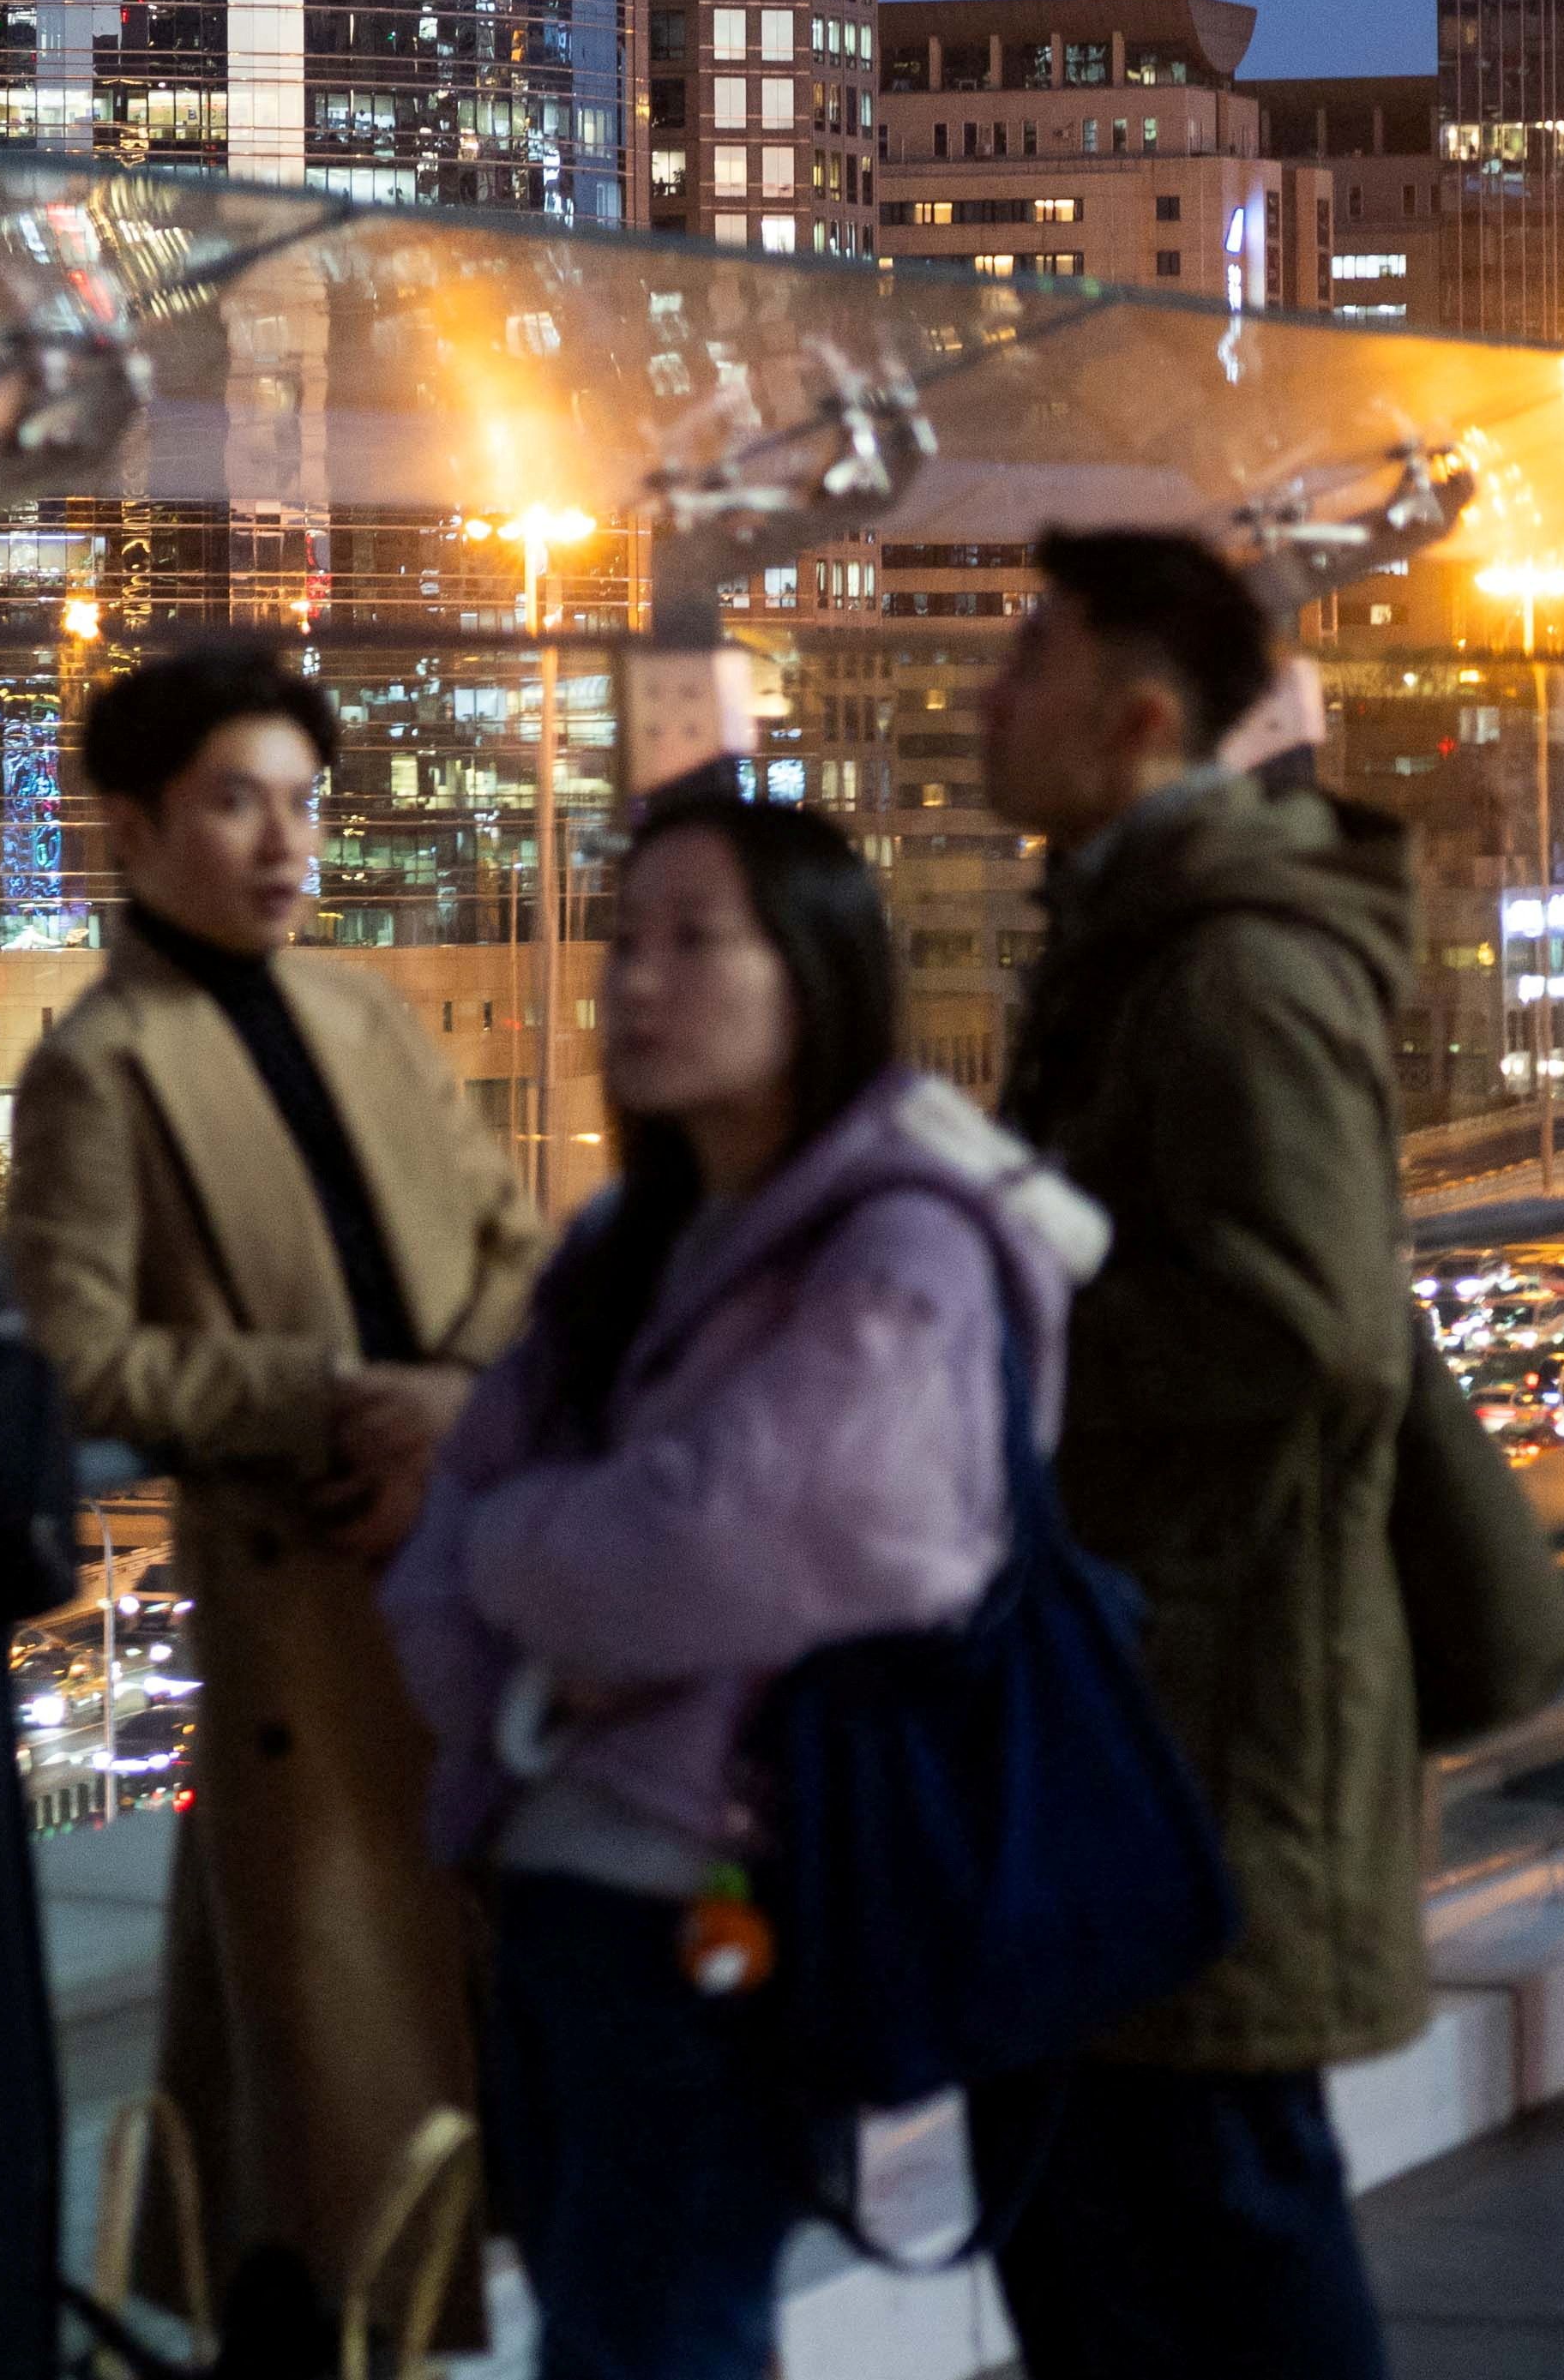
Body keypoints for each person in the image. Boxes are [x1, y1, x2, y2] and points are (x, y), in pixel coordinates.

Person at [385, 785, 1110, 2380]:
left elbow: (720, 1538)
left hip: (735, 1894)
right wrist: (524, 1653)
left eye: (697, 940)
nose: (637, 980)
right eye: (622, 937)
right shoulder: (625, 1242)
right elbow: (444, 1548)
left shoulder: (904, 1248)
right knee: (618, 2321)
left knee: (658, 2336)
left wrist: (524, 1559)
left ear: (819, 973)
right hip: (557, 1877)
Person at [5, 642, 545, 2376]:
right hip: (303, 1605)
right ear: (137, 825)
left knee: (368, 2046)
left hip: (463, 1567)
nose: (281, 841)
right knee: (334, 2073)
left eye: (301, 801)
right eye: (234, 800)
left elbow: (514, 1247)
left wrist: (451, 1402)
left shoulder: (362, 1010)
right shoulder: (99, 1063)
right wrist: (322, 1394)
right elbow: (78, 1353)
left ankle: (265, 2296)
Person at [970, 527, 1417, 2380]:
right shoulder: (1130, 939)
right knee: (1127, 2212)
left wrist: (1005, 1325)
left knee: (1213, 2211)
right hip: (1149, 1683)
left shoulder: (1221, 972)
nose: (987, 691)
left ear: (1138, 714)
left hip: (1207, 1701)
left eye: (1027, 656)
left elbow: (1303, 1319)